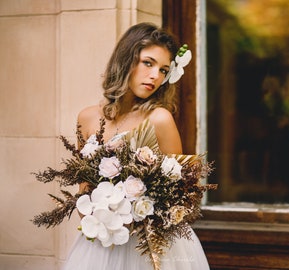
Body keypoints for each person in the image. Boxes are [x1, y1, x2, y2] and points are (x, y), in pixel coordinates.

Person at [63, 22, 210, 270]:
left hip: (152, 247)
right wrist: (102, 217)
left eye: (164, 70)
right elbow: (84, 190)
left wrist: (139, 209)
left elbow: (186, 194)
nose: (155, 76)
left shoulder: (160, 119)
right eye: (148, 63)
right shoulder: (86, 118)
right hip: (101, 243)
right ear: (126, 60)